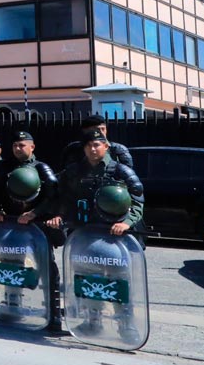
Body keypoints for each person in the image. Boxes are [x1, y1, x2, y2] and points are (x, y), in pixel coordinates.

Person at [52, 128, 146, 339]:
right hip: (84, 235)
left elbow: (138, 200)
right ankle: (92, 322)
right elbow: (63, 198)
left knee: (118, 280)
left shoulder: (121, 171)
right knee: (88, 279)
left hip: (113, 237)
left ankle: (126, 325)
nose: (92, 149)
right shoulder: (74, 171)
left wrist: (127, 223)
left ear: (106, 146)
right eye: (88, 146)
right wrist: (59, 215)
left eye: (96, 145)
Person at [0, 130, 64, 332]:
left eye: (22, 145)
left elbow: (54, 194)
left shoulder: (41, 168)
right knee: (10, 265)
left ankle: (53, 313)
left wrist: (35, 213)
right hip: (12, 226)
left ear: (32, 147)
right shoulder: (3, 168)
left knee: (46, 268)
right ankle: (11, 306)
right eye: (15, 146)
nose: (18, 149)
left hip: (37, 227)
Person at [58, 115, 133, 173]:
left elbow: (128, 172)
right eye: (97, 130)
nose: (101, 132)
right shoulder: (73, 149)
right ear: (85, 131)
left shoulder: (118, 149)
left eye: (103, 129)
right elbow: (64, 172)